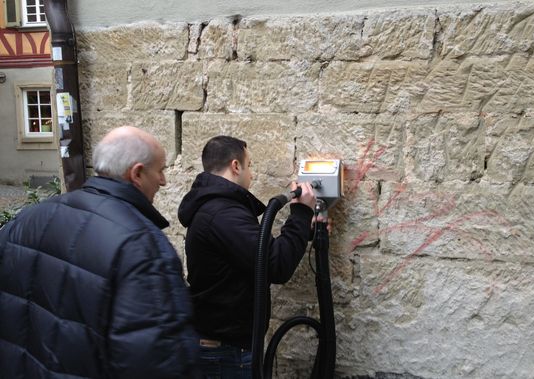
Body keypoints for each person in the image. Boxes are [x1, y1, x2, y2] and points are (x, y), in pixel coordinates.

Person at [0, 126, 198, 378]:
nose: (163, 181)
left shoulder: (28, 218)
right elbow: (159, 359)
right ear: (136, 173)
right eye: (159, 171)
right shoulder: (142, 247)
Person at [177, 135, 317, 377]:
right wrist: (301, 214)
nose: (251, 173)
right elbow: (274, 264)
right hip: (226, 353)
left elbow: (255, 253)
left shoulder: (218, 209)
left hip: (227, 346)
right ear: (235, 166)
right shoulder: (223, 214)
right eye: (249, 165)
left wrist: (306, 228)